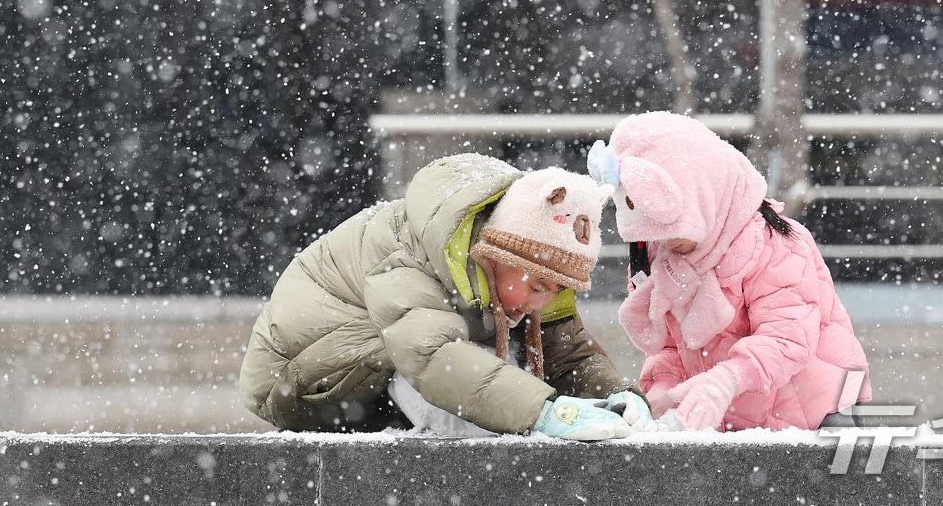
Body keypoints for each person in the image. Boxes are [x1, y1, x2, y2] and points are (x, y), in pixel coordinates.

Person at [239, 153, 652, 439]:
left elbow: (570, 355)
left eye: (556, 291)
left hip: (370, 372)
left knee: (502, 373)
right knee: (447, 360)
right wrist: (545, 413)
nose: (540, 303)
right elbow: (431, 356)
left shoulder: (524, 269)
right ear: (497, 254)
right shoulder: (408, 252)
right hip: (299, 378)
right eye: (537, 287)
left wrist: (616, 397)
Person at [587, 112, 872, 431]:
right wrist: (660, 396)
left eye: (672, 229)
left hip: (818, 412)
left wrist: (725, 381)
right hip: (740, 424)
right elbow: (668, 348)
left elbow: (787, 337)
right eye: (655, 233)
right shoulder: (655, 253)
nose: (666, 243)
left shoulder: (773, 243)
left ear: (702, 194)